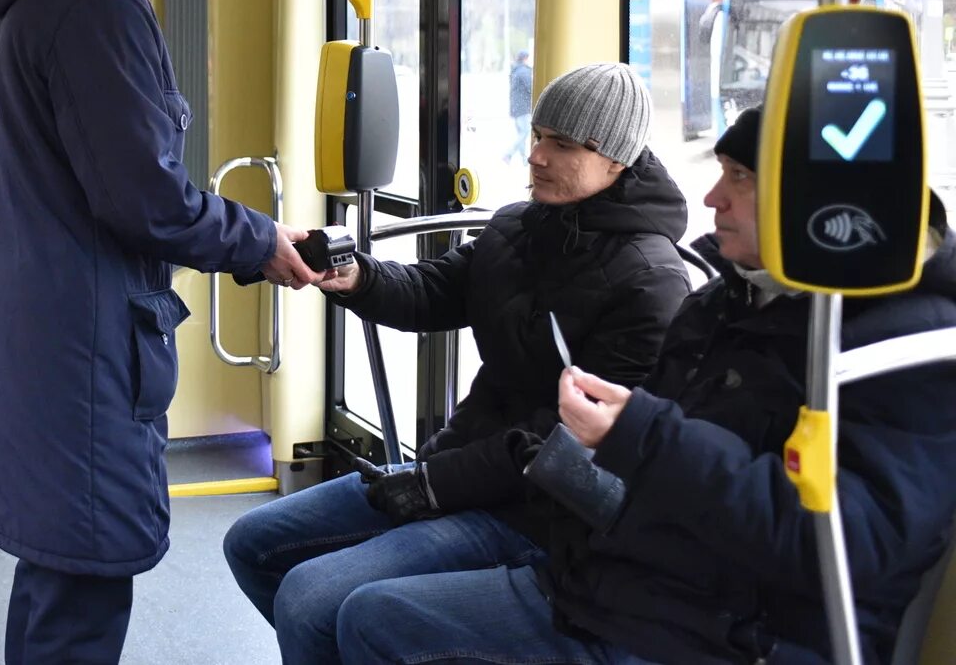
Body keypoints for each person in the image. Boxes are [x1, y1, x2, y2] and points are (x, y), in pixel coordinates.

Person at [329, 106, 956, 665]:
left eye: (740, 177)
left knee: (368, 617)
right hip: (630, 576)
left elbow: (842, 544)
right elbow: (433, 294)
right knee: (341, 599)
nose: (714, 198)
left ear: (816, 199)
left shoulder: (903, 349)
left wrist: (640, 438)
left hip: (730, 630)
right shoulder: (726, 299)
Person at [0, 0, 324, 663]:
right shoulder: (99, 3)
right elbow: (143, 196)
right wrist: (259, 240)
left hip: (36, 325)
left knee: (56, 576)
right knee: (82, 586)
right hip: (81, 348)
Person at [223, 62, 692, 664]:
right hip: (461, 469)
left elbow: (574, 448)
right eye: (539, 135)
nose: (538, 156)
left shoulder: (651, 284)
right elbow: (433, 291)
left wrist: (432, 485)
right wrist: (356, 275)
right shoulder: (520, 227)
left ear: (617, 160)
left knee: (312, 599)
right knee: (253, 543)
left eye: (564, 145)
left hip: (534, 514)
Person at [504, 48, 533, 165]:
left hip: (515, 107)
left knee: (522, 132)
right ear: (526, 58)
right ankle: (508, 154)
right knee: (525, 132)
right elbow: (531, 88)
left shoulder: (515, 70)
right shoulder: (524, 72)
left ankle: (524, 159)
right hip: (523, 107)